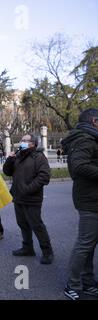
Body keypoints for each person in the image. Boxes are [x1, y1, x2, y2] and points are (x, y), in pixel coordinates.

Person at [61, 108, 98, 300]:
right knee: (85, 243)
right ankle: (73, 285)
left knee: (90, 243)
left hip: (92, 197)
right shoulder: (84, 139)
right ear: (94, 121)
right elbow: (79, 166)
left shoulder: (89, 138)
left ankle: (88, 282)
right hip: (89, 200)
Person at [3, 133, 53, 264]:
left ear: (33, 143)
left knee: (36, 225)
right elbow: (7, 172)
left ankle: (47, 252)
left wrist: (28, 189)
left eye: (25, 140)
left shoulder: (39, 157)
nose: (22, 142)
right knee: (23, 224)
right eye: (21, 140)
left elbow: (44, 176)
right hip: (18, 198)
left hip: (32, 199)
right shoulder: (18, 156)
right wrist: (10, 159)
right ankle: (27, 248)